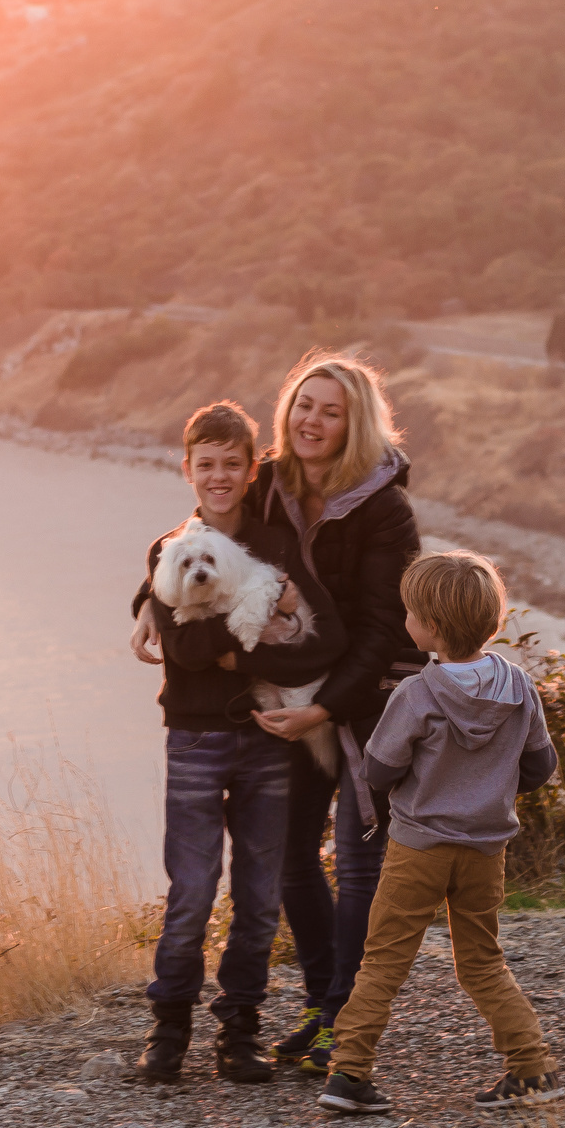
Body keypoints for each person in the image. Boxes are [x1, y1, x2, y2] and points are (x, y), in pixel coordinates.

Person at [129, 402, 345, 1084]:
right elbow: (185, 651)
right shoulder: (168, 550)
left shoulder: (276, 547)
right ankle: (168, 1028)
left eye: (232, 465)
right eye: (205, 465)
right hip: (193, 740)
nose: (218, 477)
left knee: (258, 896)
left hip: (264, 742)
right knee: (192, 891)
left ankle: (240, 1030)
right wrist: (242, 637)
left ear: (253, 470)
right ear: (185, 469)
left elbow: (330, 638)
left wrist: (234, 650)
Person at [318, 550, 564, 1116]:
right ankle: (532, 1067)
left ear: (428, 627)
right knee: (481, 960)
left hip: (418, 847)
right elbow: (540, 767)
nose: (405, 620)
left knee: (384, 959)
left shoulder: (416, 694)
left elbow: (377, 770)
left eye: (409, 612)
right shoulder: (519, 687)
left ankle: (350, 1073)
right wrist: (487, 789)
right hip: (485, 848)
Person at [246, 353, 426, 1077]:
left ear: (355, 424)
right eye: (302, 404)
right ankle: (323, 1001)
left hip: (368, 698)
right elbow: (203, 540)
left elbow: (384, 629)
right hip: (292, 694)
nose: (310, 420)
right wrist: (148, 599)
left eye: (330, 410)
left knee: (357, 863)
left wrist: (325, 706)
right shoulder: (269, 483)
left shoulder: (385, 508)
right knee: (287, 856)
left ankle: (349, 1020)